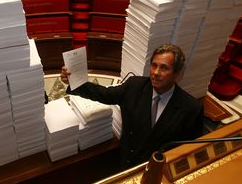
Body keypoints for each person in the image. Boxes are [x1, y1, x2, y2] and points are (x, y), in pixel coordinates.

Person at [60, 44, 204, 168]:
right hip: (127, 163)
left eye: (164, 68)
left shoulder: (191, 109)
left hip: (159, 172)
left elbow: (189, 151)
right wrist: (74, 82)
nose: (156, 73)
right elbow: (104, 94)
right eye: (154, 65)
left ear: (177, 74)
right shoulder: (134, 86)